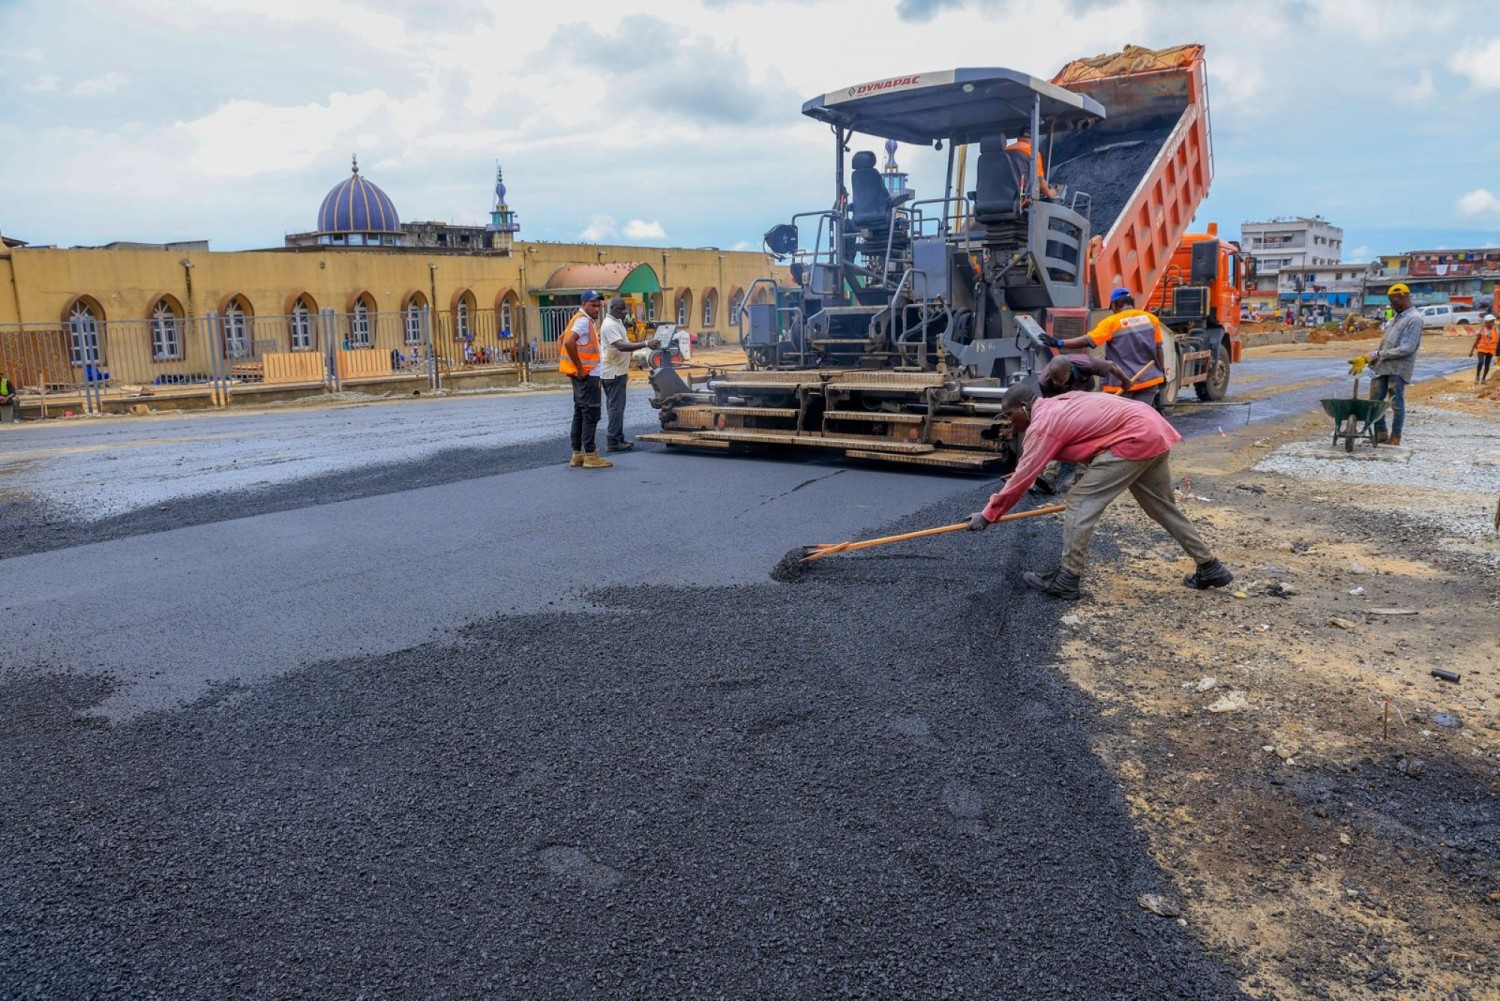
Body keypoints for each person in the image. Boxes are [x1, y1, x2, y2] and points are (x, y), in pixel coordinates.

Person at [966, 383, 1233, 600]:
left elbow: (1024, 475)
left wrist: (989, 514)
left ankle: (1067, 579)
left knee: (1080, 501)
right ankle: (1210, 566)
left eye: (1010, 415)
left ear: (1025, 407)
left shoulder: (1042, 423)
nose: (1010, 423)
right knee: (1162, 507)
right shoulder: (1058, 403)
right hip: (1151, 428)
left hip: (1132, 439)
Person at [1052, 287, 1166, 405]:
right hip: (1149, 379)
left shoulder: (1111, 322)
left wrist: (1059, 343)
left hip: (1121, 384)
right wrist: (1161, 370)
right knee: (1141, 417)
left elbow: (1088, 341)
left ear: (1114, 305)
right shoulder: (1151, 319)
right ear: (1131, 302)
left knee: (1120, 420)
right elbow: (1159, 349)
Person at [1359, 282, 1423, 446]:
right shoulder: (1397, 317)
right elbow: (1388, 343)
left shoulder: (1414, 319)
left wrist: (1379, 354)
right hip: (1383, 366)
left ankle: (1395, 436)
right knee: (1375, 401)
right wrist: (1373, 355)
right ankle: (1381, 433)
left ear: (1402, 296)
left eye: (1393, 300)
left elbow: (1406, 348)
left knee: (1395, 403)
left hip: (1398, 368)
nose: (1391, 304)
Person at [598, 296, 660, 453]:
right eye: (621, 310)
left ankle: (618, 437)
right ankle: (613, 441)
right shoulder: (609, 325)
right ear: (613, 309)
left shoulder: (617, 321)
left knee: (619, 407)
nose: (624, 313)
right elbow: (621, 346)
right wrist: (646, 344)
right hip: (612, 373)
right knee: (615, 408)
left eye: (625, 309)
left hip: (618, 371)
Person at [560, 291, 612, 468]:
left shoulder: (579, 319)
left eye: (598, 305)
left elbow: (562, 339)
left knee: (580, 413)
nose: (597, 309)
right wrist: (580, 368)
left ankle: (577, 454)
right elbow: (568, 342)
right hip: (587, 375)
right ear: (583, 304)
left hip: (583, 375)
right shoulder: (582, 321)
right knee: (590, 414)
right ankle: (590, 455)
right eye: (593, 305)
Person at [1037, 354, 1133, 397]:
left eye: (1060, 380)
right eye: (1054, 379)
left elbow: (1111, 366)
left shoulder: (1087, 364)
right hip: (1059, 396)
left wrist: (1125, 381)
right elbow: (1050, 404)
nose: (1056, 382)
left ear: (1069, 372)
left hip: (1085, 388)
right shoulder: (1044, 381)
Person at [1005, 128, 1057, 200]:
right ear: (1034, 138)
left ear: (1018, 137)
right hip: (1020, 200)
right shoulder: (1032, 152)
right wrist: (1050, 193)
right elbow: (1040, 181)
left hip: (997, 199)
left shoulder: (1004, 152)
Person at [1469, 313, 1497, 383]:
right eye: (1491, 321)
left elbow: (1498, 341)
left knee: (1487, 365)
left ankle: (1483, 378)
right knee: (1481, 362)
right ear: (1487, 322)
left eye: (1493, 321)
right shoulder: (1482, 330)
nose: (1493, 323)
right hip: (1481, 349)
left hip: (1490, 350)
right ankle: (1477, 376)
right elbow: (1477, 340)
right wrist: (1471, 351)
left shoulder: (1496, 330)